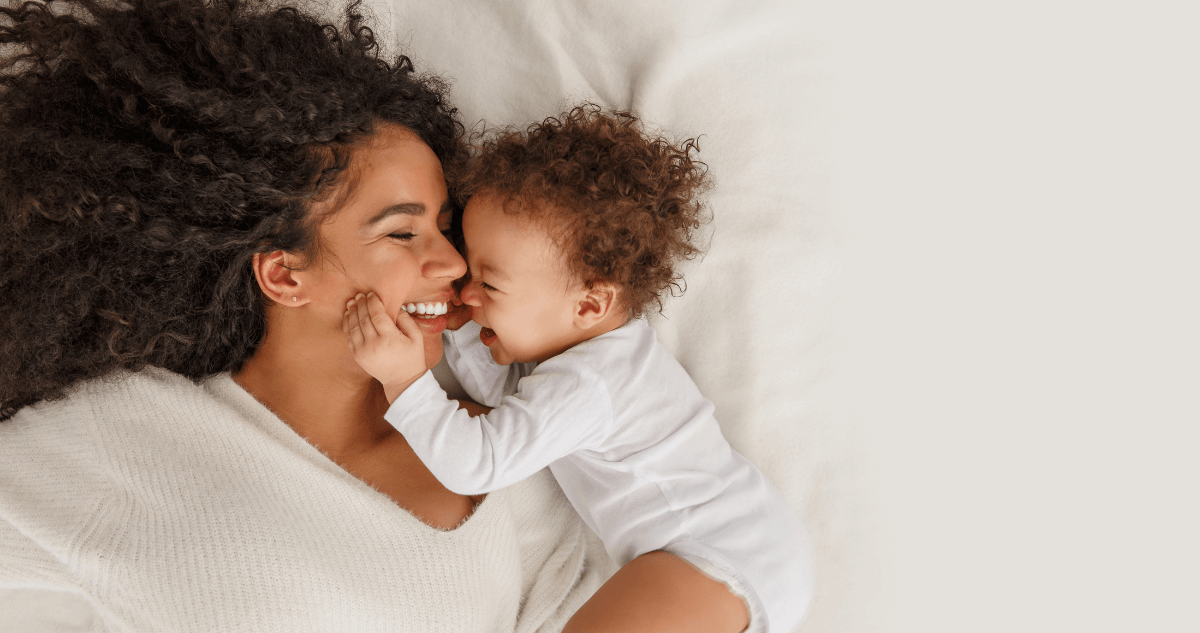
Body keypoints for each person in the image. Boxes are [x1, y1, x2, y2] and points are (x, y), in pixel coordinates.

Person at [0, 1, 625, 629]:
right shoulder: (129, 435)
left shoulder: (503, 443)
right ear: (284, 273)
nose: (454, 265)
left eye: (443, 227)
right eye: (402, 234)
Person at [343, 106, 814, 633]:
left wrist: (405, 382)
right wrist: (464, 325)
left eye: (489, 286)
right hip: (737, 550)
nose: (465, 292)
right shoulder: (584, 355)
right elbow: (506, 400)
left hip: (717, 553)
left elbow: (480, 460)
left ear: (589, 306)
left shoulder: (592, 381)